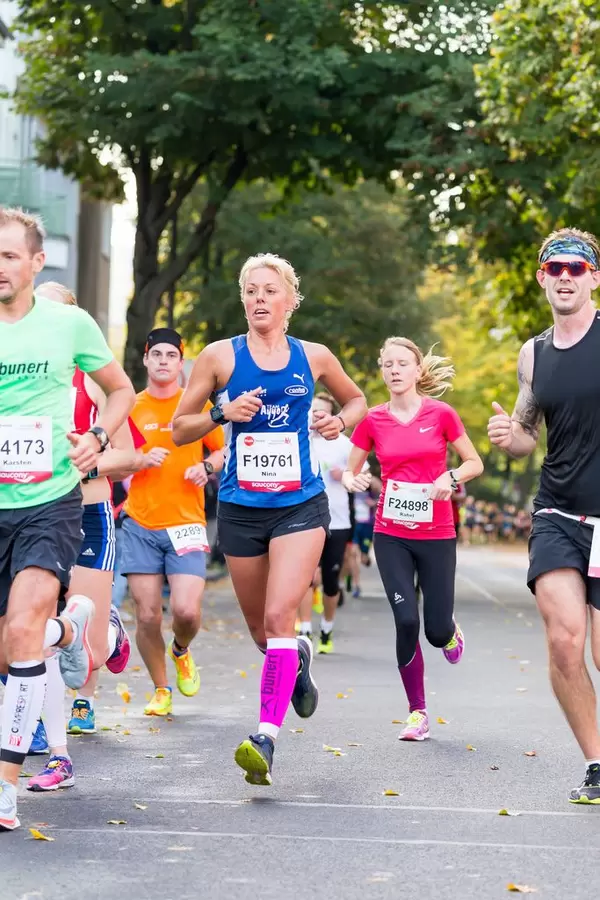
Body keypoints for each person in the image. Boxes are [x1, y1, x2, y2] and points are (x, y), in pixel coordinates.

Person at [172, 252, 367, 785]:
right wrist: (221, 413)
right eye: (251, 291)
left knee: (282, 615)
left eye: (269, 290)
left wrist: (336, 422)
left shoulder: (315, 356)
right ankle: (297, 656)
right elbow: (179, 429)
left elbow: (357, 402)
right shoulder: (219, 357)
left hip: (301, 505)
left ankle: (265, 737)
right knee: (264, 634)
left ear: (290, 301)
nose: (259, 299)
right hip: (239, 507)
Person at [0, 207, 134, 830]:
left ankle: (6, 788)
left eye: (8, 255)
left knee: (24, 627)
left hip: (49, 501)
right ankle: (71, 629)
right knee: (12, 645)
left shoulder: (68, 323)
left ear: (34, 261)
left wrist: (97, 438)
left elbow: (120, 389)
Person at [487, 227, 600, 804]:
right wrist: (510, 436)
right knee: (565, 642)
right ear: (541, 277)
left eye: (575, 269)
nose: (564, 276)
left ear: (593, 278)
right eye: (554, 268)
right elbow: (530, 434)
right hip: (557, 511)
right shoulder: (533, 352)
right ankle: (597, 764)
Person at [23, 281, 141, 791]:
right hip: (34, 516)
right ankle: (50, 746)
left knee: (83, 656)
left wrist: (87, 456)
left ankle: (108, 631)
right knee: (33, 630)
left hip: (89, 516)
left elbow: (130, 455)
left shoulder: (89, 382)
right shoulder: (19, 377)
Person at [343, 336, 483, 742]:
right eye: (387, 364)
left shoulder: (441, 414)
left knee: (435, 630)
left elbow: (474, 462)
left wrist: (450, 476)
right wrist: (357, 479)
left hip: (437, 533)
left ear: (418, 370)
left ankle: (449, 632)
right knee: (406, 619)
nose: (394, 370)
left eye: (402, 363)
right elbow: (351, 471)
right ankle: (417, 712)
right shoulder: (373, 419)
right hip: (391, 534)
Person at [120, 327, 225, 717]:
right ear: (146, 359)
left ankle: (180, 649)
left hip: (186, 524)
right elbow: (113, 465)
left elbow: (224, 450)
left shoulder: (195, 405)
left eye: (171, 356)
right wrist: (137, 461)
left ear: (182, 363)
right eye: (156, 355)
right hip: (141, 524)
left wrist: (206, 467)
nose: (163, 361)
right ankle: (161, 688)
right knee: (146, 614)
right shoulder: (130, 405)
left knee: (186, 612)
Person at [297, 393, 364, 652]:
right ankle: (304, 630)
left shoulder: (344, 445)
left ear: (334, 416)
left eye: (323, 411)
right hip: (304, 520)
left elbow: (363, 475)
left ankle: (326, 629)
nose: (317, 415)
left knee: (331, 580)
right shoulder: (300, 441)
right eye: (313, 410)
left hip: (337, 521)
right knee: (305, 578)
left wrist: (347, 474)